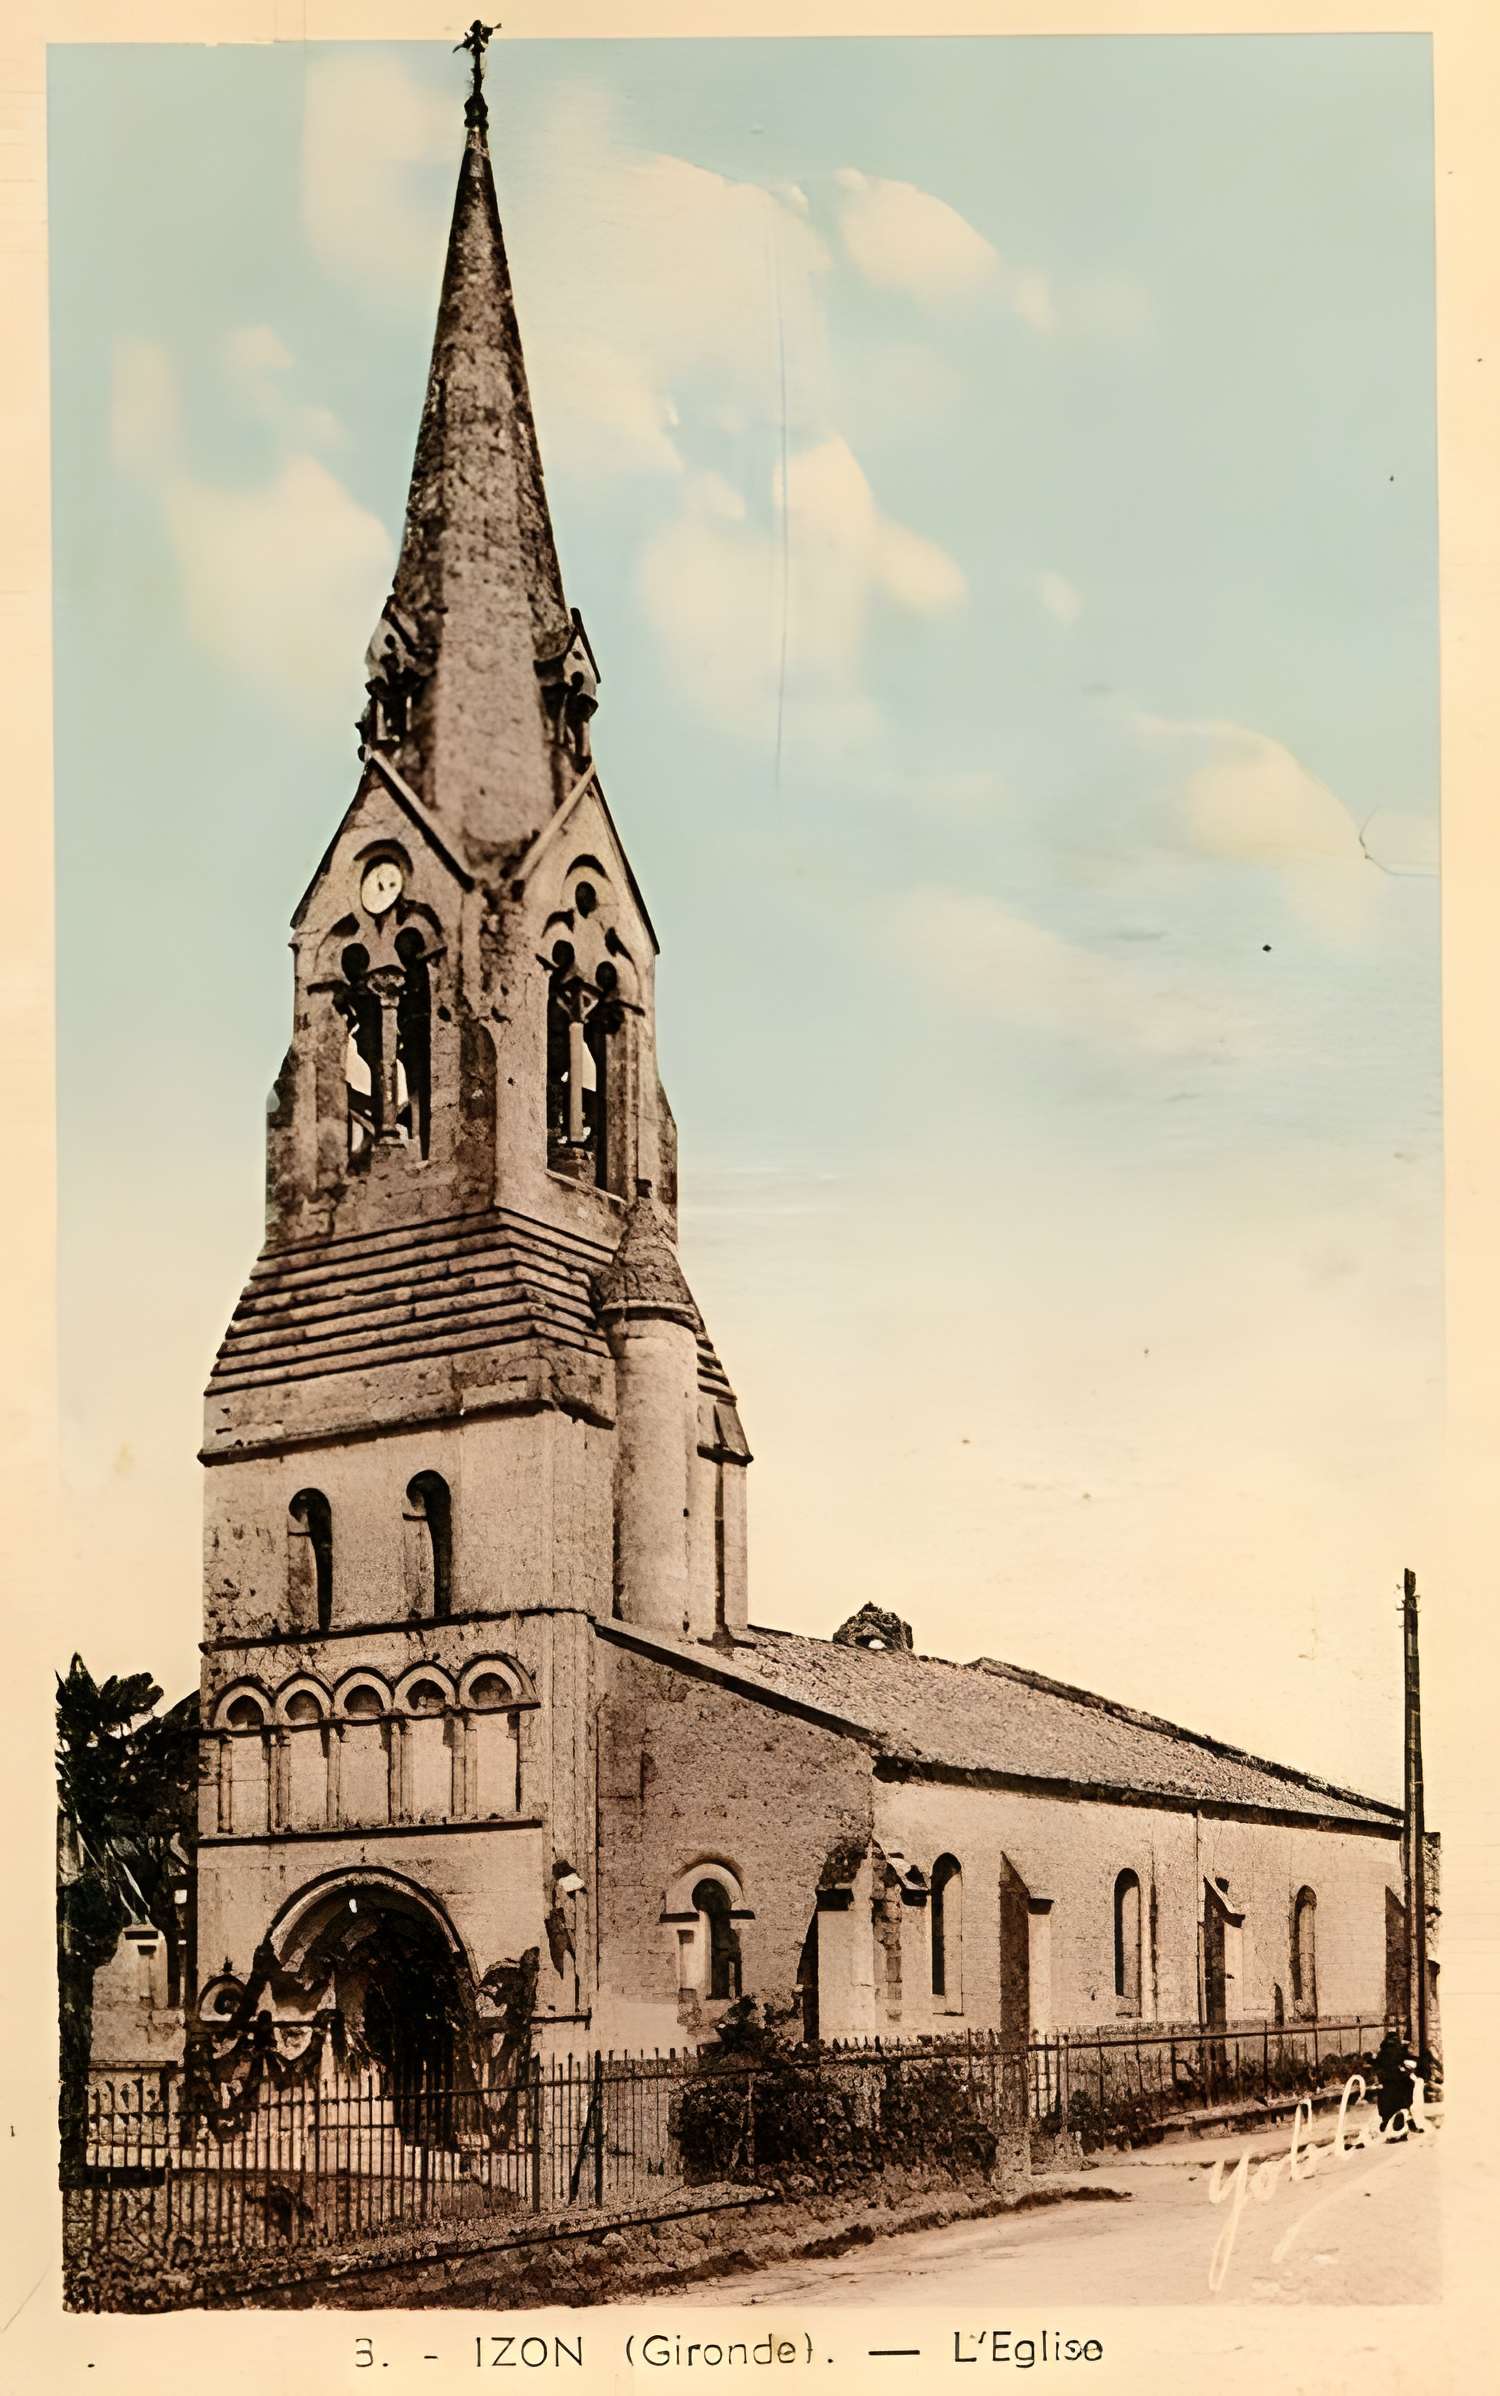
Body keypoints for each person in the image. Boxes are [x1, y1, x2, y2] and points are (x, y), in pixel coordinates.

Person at [1371, 2027, 1416, 2135]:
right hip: (1398, 2082)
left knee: (1387, 2107)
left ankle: (1384, 2124)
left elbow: (1376, 2066)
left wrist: (1378, 2078)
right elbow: (1407, 2061)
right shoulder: (1398, 2050)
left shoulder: (1382, 2052)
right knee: (1404, 2104)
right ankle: (1410, 2124)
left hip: (1386, 2084)